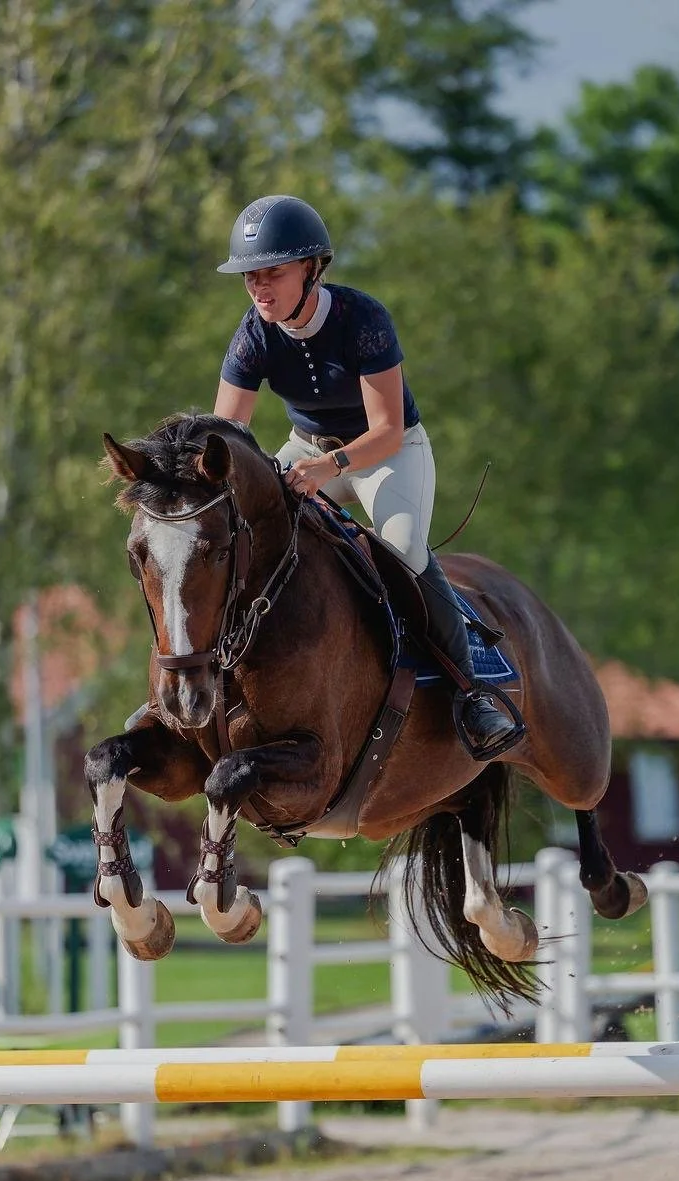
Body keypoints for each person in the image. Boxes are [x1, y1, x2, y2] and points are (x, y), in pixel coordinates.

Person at [213, 194, 519, 759]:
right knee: (240, 535)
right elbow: (228, 434)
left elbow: (387, 430)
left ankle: (470, 693)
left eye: (273, 273)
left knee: (402, 549)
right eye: (250, 277)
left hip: (385, 454)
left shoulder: (363, 319)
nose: (259, 289)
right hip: (306, 453)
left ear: (311, 267)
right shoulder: (253, 333)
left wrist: (327, 467)